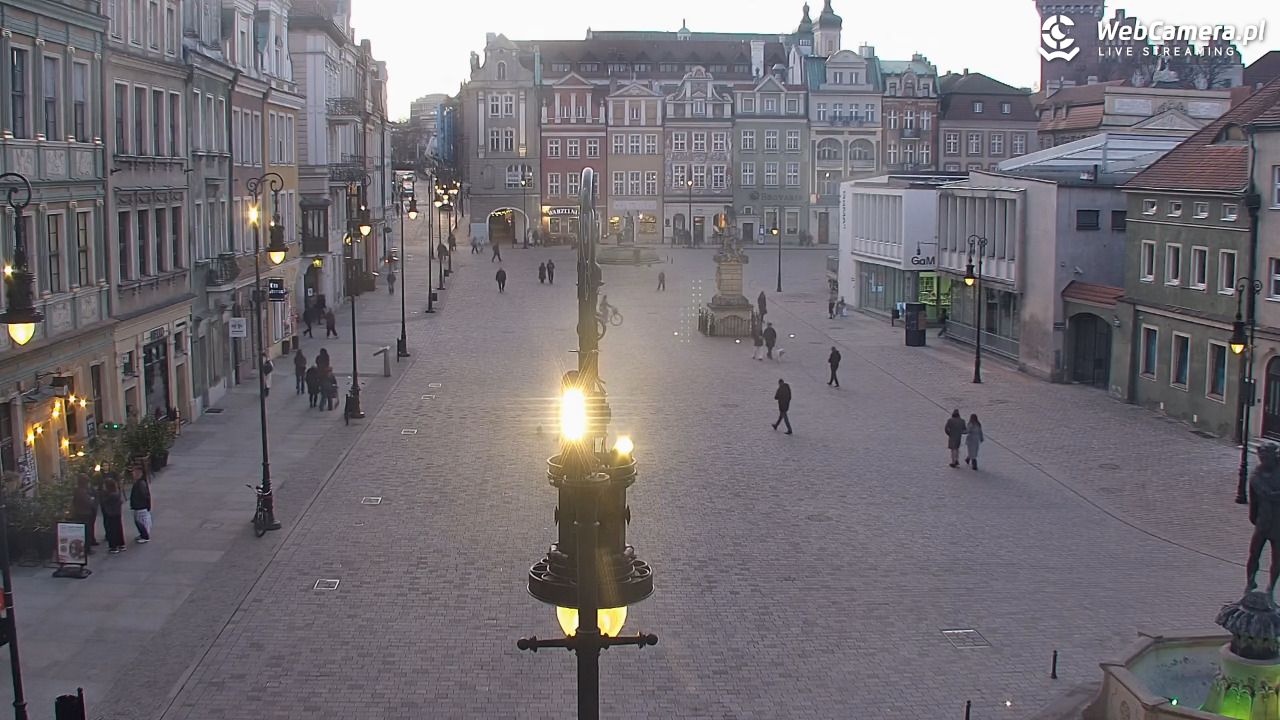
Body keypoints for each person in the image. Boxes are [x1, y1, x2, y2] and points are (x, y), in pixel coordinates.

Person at [1247, 444, 1280, 594]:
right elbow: (1254, 500)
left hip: (1278, 524)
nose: (1264, 460)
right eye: (1262, 458)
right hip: (1263, 521)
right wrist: (1254, 518)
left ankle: (1270, 588)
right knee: (1254, 554)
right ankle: (1250, 583)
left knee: (1277, 559)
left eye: (1267, 457)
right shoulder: (1257, 476)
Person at [71, 475, 98, 553]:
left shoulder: (78, 490)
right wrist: (92, 500)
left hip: (80, 512)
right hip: (85, 513)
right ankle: (87, 549)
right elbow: (89, 502)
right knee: (87, 532)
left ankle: (86, 547)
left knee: (85, 531)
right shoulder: (82, 491)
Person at [100, 478, 126, 554]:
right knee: (118, 529)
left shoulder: (110, 495)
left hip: (110, 514)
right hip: (117, 513)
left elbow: (104, 502)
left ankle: (113, 547)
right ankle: (121, 544)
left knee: (112, 530)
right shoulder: (116, 494)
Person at [129, 464, 152, 543]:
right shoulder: (139, 482)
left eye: (134, 472)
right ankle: (142, 535)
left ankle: (145, 536)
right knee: (138, 521)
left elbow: (144, 495)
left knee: (141, 522)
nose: (133, 474)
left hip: (141, 506)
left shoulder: (141, 483)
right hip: (139, 506)